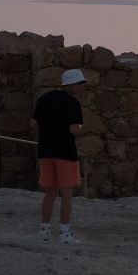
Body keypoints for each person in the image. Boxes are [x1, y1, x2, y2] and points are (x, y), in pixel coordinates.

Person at [32, 68, 87, 245]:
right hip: (65, 152)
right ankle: (65, 233)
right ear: (70, 84)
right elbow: (74, 130)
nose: (81, 87)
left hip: (46, 151)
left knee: (49, 193)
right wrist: (80, 130)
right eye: (79, 84)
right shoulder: (72, 103)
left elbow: (32, 124)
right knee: (66, 194)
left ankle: (44, 231)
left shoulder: (44, 99)